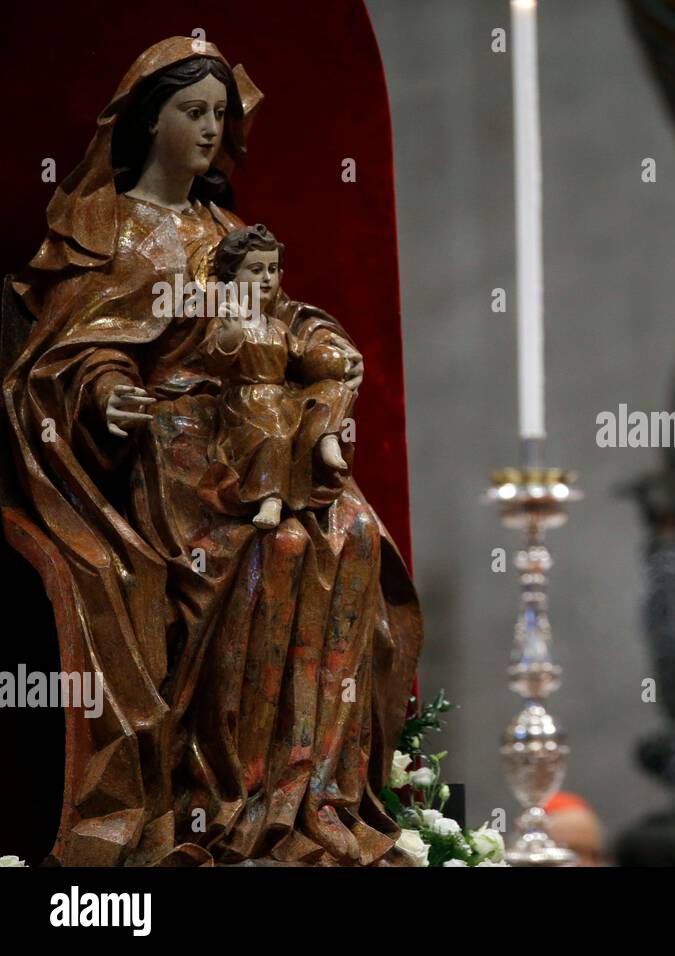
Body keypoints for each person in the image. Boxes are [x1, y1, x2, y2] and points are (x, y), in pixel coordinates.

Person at [3, 37, 422, 866]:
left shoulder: (227, 227)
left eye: (219, 114)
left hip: (251, 430)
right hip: (169, 447)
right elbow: (73, 345)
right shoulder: (105, 226)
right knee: (268, 551)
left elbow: (280, 318)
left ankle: (304, 800)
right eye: (192, 111)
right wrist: (105, 391)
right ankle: (221, 802)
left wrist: (326, 347)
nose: (209, 128)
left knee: (353, 538)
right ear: (146, 121)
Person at [196, 224, 356, 529]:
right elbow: (212, 362)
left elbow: (300, 357)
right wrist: (231, 335)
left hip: (281, 398)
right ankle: (271, 499)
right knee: (276, 434)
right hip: (248, 403)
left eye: (273, 268)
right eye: (256, 269)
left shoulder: (278, 326)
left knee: (334, 391)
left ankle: (327, 439)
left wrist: (330, 358)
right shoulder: (227, 321)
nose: (267, 278)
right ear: (232, 278)